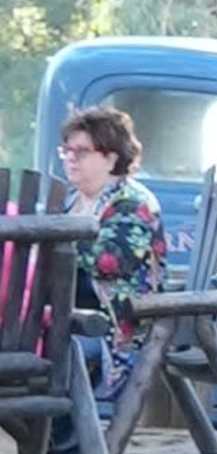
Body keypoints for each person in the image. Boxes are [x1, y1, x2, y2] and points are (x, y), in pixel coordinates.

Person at [57, 103, 168, 345]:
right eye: (67, 150)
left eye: (82, 151)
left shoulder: (133, 202)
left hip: (115, 328)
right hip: (70, 318)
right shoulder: (71, 199)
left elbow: (110, 263)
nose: (71, 158)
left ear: (111, 159)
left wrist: (53, 244)